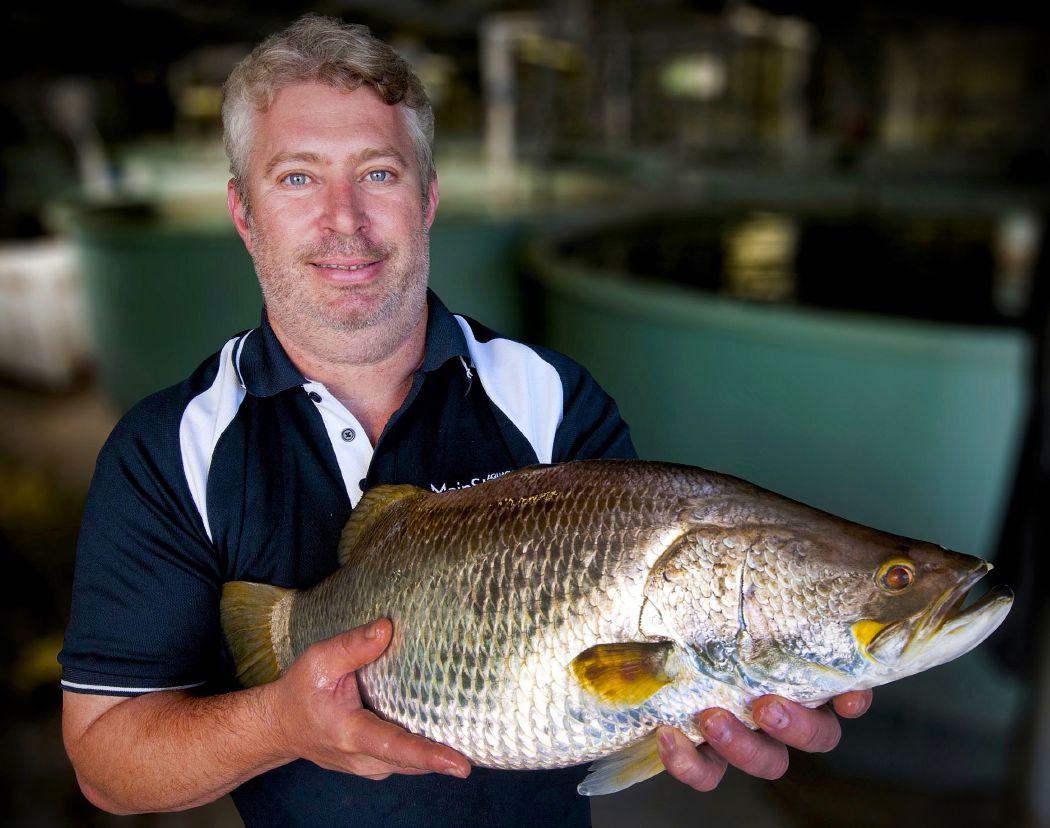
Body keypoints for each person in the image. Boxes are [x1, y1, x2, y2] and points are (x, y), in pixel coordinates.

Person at [59, 15, 871, 827]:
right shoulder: (170, 449)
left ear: (428, 198)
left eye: (379, 173)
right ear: (244, 213)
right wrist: (279, 724)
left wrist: (698, 715)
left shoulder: (551, 398)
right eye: (298, 178)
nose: (345, 219)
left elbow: (637, 678)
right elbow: (107, 763)